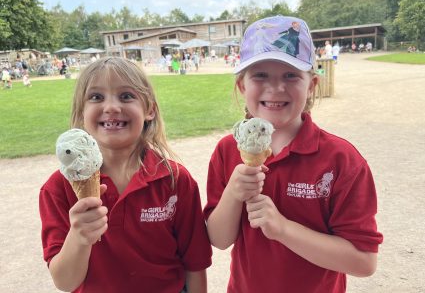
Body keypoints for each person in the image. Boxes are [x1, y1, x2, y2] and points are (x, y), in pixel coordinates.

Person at [204, 16, 383, 293]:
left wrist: (283, 229)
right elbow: (218, 238)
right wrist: (233, 193)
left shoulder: (341, 160)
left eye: (290, 75)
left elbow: (363, 260)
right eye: (260, 75)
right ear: (242, 86)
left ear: (311, 85)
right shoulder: (228, 151)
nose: (276, 88)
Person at [39, 57, 212, 293]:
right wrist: (79, 237)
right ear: (81, 113)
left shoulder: (175, 180)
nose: (111, 107)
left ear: (149, 109)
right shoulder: (58, 187)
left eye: (126, 96)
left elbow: (195, 264)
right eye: (96, 97)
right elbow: (65, 282)